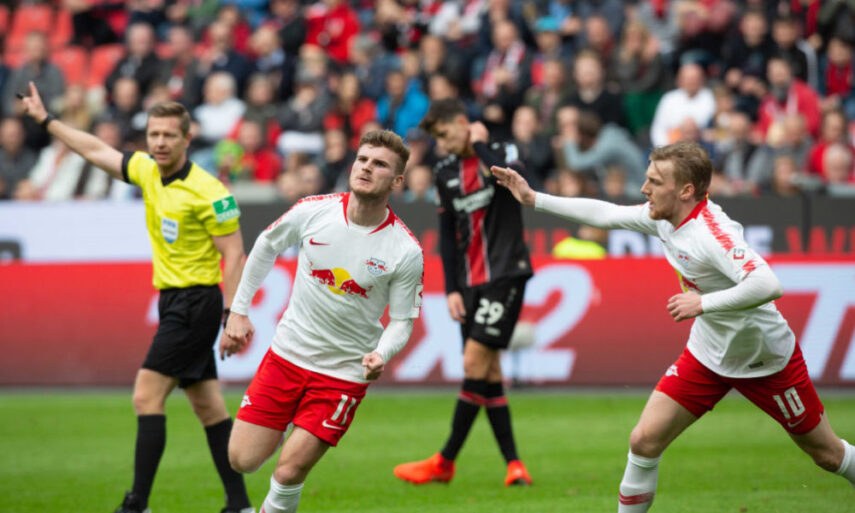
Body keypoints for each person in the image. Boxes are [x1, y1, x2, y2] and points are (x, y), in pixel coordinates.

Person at [491, 141, 855, 511]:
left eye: (654, 181)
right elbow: (607, 214)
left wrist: (703, 303)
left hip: (764, 359)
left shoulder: (712, 233)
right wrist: (534, 198)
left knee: (826, 454)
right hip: (707, 355)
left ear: (685, 190)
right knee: (644, 440)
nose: (644, 189)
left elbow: (768, 284)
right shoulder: (662, 217)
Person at [18, 82, 253, 513]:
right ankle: (238, 504)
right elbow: (95, 150)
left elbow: (235, 253)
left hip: (196, 303)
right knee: (208, 407)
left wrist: (233, 314)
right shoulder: (146, 170)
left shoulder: (211, 192)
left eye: (168, 135)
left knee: (146, 396)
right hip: (174, 302)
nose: (159, 142)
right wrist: (47, 120)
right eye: (153, 134)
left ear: (187, 139)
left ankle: (136, 504)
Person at [223, 130, 424, 513]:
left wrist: (382, 354)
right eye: (363, 159)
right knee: (241, 459)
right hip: (286, 357)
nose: (367, 167)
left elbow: (402, 321)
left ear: (397, 181)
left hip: (342, 373)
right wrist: (238, 308)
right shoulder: (314, 210)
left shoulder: (405, 249)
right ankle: (289, 424)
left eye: (380, 164)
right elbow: (266, 245)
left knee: (288, 470)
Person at [393, 98, 534, 487]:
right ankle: (514, 464)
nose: (442, 144)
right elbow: (448, 236)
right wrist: (452, 289)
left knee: (473, 363)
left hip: (505, 274)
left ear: (462, 123)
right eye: (437, 139)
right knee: (488, 372)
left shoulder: (501, 151)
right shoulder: (444, 172)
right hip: (469, 284)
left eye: (445, 134)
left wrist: (481, 144)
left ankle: (444, 461)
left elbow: (521, 185)